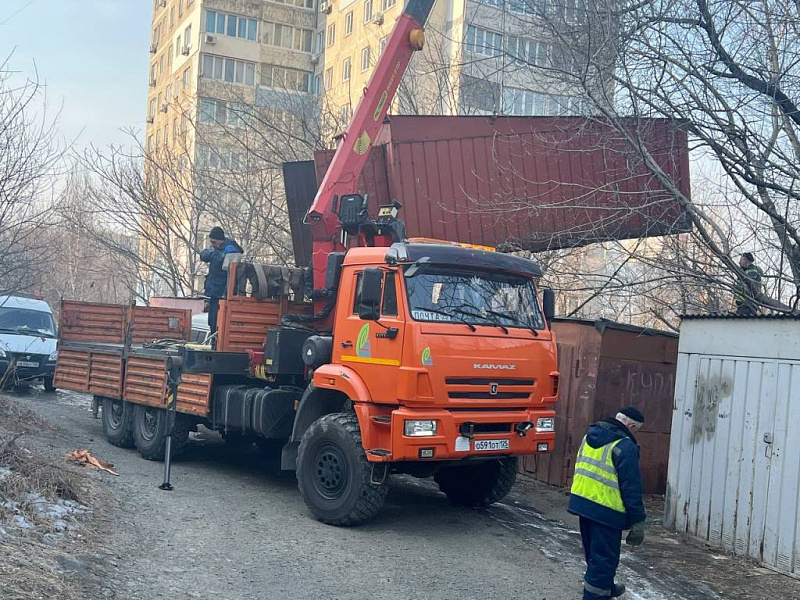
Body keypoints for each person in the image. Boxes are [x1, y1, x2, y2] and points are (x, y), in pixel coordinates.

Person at [568, 407, 646, 599]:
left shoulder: (589, 436)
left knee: (595, 557)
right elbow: (631, 487)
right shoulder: (624, 446)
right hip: (606, 511)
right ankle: (596, 596)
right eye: (636, 430)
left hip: (583, 504)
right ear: (631, 425)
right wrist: (638, 520)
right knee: (604, 560)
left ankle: (606, 588)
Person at [199, 227, 243, 337]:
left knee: (219, 323)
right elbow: (204, 255)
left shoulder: (231, 248)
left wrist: (215, 255)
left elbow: (226, 264)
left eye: (213, 242)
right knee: (212, 322)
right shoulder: (219, 248)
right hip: (215, 293)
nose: (212, 245)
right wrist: (215, 254)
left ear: (220, 240)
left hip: (223, 293)